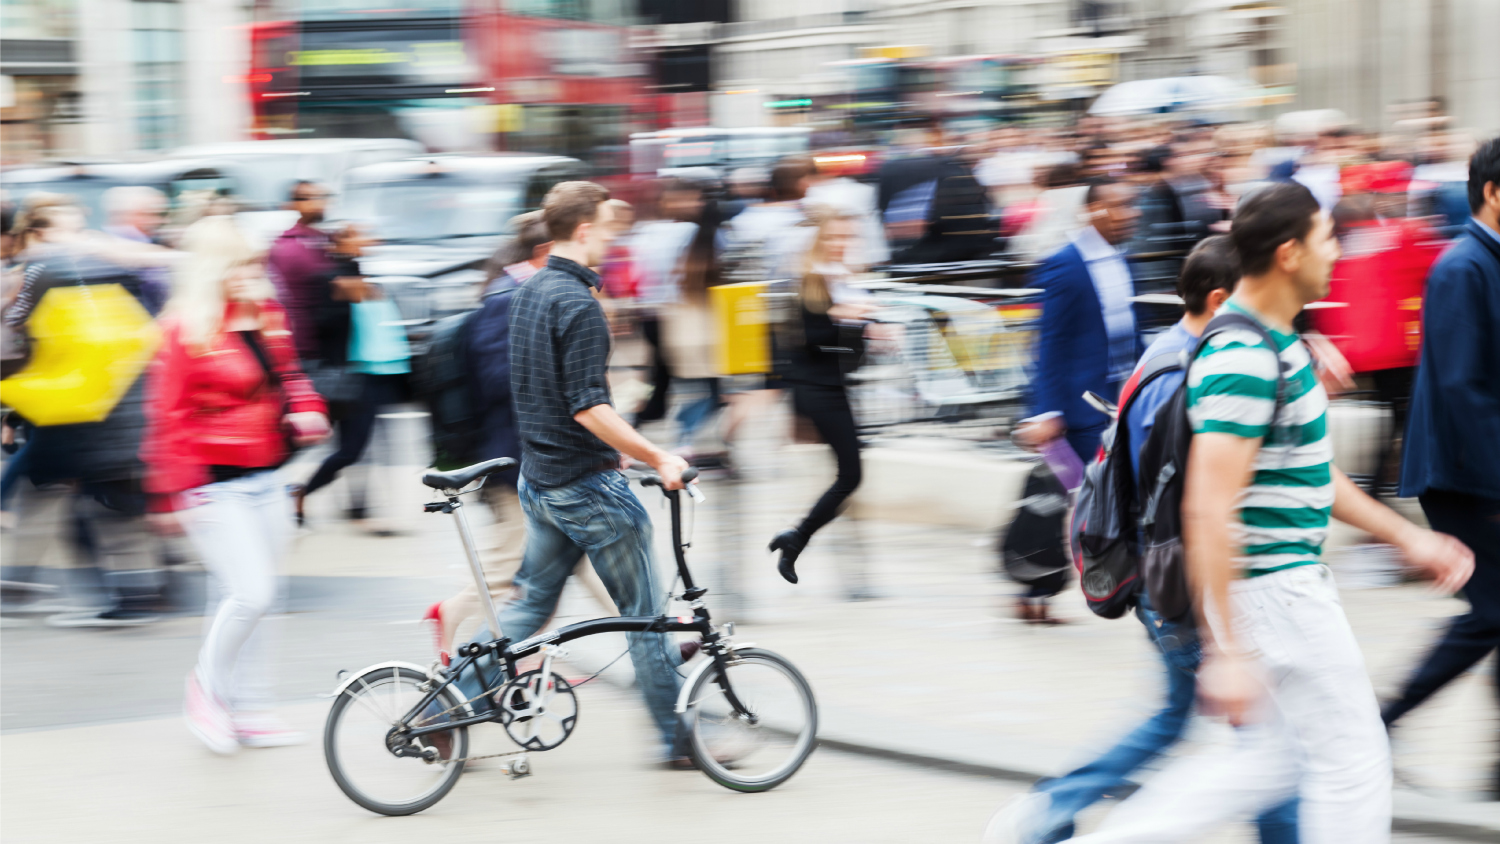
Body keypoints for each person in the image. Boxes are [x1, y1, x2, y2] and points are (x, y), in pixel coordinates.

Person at [1057, 181, 1472, 844]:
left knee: (1269, 764)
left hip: (1275, 589)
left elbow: (1310, 476)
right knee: (1356, 764)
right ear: (1288, 253)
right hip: (1278, 590)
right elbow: (1207, 505)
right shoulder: (1246, 356)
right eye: (1326, 238)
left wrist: (1407, 538)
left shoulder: (1273, 347)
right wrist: (1224, 650)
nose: (1337, 251)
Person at [983, 236, 1298, 843]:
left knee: (1187, 720)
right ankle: (1050, 811)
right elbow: (1183, 503)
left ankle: (1050, 809)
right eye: (1251, 300)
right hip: (1176, 582)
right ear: (1219, 298)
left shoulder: (1167, 352)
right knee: (1261, 737)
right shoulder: (1185, 375)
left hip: (1163, 578)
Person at [499, 180, 693, 766]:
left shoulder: (530, 290)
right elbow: (587, 405)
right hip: (586, 487)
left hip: (541, 481)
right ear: (584, 230)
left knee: (528, 611)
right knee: (648, 621)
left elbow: (550, 396)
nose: (614, 238)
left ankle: (441, 705)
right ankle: (679, 741)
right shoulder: (578, 304)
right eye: (609, 227)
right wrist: (658, 456)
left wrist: (620, 443)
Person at [142, 216, 329, 754]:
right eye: (240, 265)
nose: (253, 273)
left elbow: (290, 376)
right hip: (212, 485)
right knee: (251, 593)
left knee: (256, 599)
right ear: (212, 270)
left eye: (254, 262)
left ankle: (248, 708)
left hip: (268, 478)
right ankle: (206, 689)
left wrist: (307, 407)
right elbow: (168, 417)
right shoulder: (185, 329)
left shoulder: (265, 315)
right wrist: (172, 492)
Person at [425, 212, 616, 660]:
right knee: (507, 570)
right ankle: (454, 624)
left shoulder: (524, 295)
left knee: (590, 551)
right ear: (543, 254)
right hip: (515, 460)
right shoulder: (506, 301)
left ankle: (652, 636)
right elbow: (499, 380)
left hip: (542, 458)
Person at [1384, 136, 1500, 797]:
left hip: (1479, 466)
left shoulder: (1487, 261)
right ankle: (1383, 720)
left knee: (1497, 611)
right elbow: (1462, 389)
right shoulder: (1462, 267)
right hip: (1462, 473)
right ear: (1492, 192)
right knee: (1491, 612)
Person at [766, 209, 878, 585]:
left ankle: (796, 538)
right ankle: (797, 539)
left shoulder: (847, 282)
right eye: (833, 237)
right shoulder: (811, 281)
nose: (841, 244)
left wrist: (864, 331)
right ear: (819, 240)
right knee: (850, 476)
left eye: (847, 237)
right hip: (815, 390)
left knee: (850, 476)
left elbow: (851, 358)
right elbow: (809, 342)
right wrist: (842, 318)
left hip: (833, 388)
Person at [293, 223, 409, 526]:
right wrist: (343, 295)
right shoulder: (332, 278)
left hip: (372, 374)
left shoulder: (359, 276)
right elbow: (322, 325)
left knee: (355, 448)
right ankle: (299, 491)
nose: (369, 240)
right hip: (349, 378)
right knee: (348, 449)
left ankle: (349, 502)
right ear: (340, 242)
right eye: (359, 235)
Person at [1018, 179, 1140, 464]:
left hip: (1121, 401)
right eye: (1123, 206)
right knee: (1089, 496)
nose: (1134, 213)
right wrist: (1047, 412)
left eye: (1133, 205)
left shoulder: (1124, 259)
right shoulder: (1066, 264)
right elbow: (1050, 340)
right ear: (1096, 211)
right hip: (1083, 412)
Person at [266, 180, 332, 363]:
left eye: (323, 197)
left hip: (326, 346)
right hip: (304, 349)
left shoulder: (324, 239)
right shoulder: (289, 246)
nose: (320, 203)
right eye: (310, 198)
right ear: (294, 205)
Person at [102, 185, 171, 314]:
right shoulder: (106, 248)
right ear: (136, 214)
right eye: (157, 214)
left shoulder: (150, 242)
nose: (164, 220)